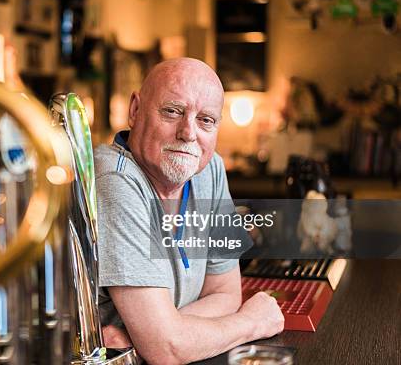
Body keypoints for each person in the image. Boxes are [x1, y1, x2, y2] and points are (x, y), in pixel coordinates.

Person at [94, 58, 284, 364]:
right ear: (135, 110)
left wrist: (145, 336)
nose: (188, 133)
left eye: (206, 120)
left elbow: (225, 293)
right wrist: (252, 323)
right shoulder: (115, 181)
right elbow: (166, 350)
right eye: (172, 111)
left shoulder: (210, 170)